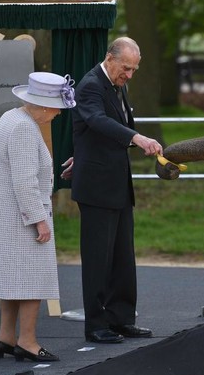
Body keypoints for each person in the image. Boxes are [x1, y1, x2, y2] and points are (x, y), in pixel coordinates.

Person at [61, 37, 163, 344]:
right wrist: (137, 138)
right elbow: (97, 120)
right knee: (97, 259)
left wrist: (83, 152)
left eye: (134, 69)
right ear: (109, 58)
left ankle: (121, 318)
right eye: (126, 68)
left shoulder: (118, 84)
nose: (130, 74)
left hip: (117, 183)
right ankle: (96, 324)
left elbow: (93, 131)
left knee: (122, 257)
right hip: (96, 188)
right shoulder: (91, 85)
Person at [0, 71, 76, 362]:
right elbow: (24, 181)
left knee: (13, 279)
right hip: (20, 214)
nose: (58, 115)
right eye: (57, 110)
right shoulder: (24, 127)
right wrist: (39, 219)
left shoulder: (10, 117)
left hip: (4, 213)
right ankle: (27, 341)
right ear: (45, 105)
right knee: (33, 279)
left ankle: (6, 337)